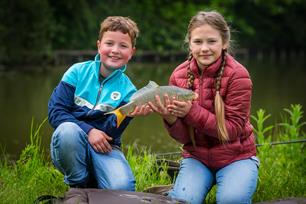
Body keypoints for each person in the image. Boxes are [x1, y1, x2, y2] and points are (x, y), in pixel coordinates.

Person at [148, 11, 259, 204]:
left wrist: (190, 112)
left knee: (231, 201)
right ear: (189, 44)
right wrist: (170, 118)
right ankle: (183, 187)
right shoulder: (178, 76)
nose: (204, 48)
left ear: (224, 42)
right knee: (183, 201)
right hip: (197, 157)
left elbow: (231, 131)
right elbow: (184, 138)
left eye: (211, 41)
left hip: (236, 157)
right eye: (198, 42)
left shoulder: (238, 76)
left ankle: (236, 179)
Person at [48, 16, 150, 190]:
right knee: (67, 130)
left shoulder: (129, 91)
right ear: (99, 45)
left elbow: (111, 133)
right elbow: (56, 113)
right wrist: (90, 131)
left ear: (132, 52)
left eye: (123, 46)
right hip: (71, 140)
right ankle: (78, 184)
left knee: (122, 188)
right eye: (109, 43)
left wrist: (128, 115)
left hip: (106, 146)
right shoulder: (77, 72)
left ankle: (96, 177)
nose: (115, 50)